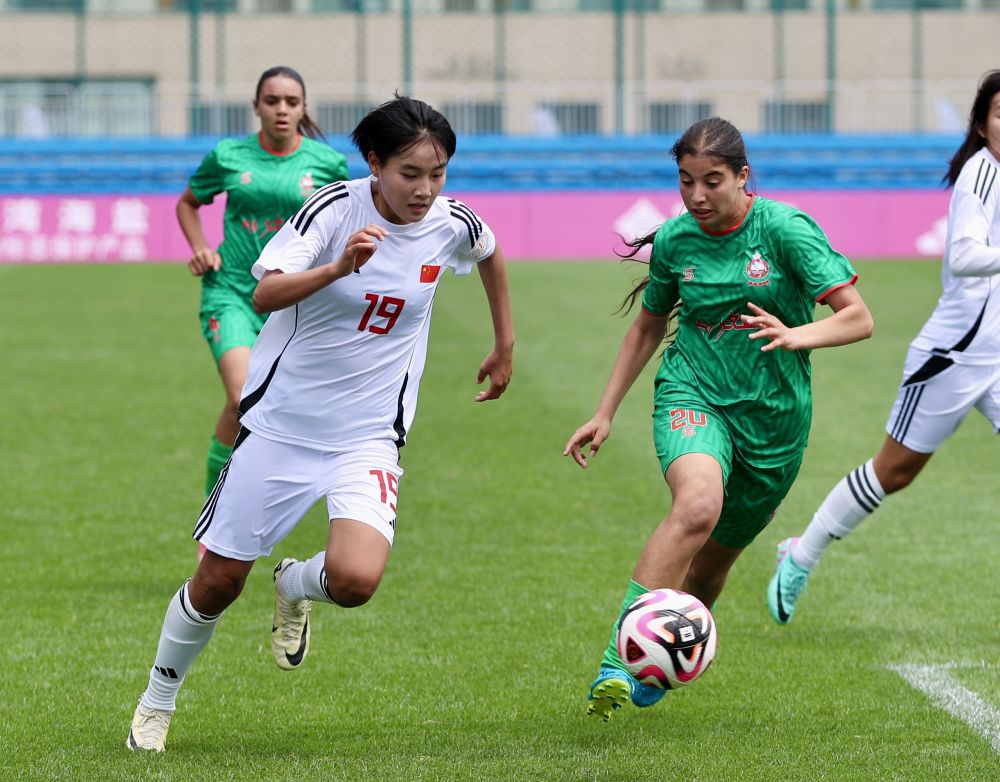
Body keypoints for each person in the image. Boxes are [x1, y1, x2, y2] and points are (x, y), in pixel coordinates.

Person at [127, 94, 515, 752]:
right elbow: (264, 291)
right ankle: (157, 702)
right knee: (218, 582)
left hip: (369, 435)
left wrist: (505, 343)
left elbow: (490, 252)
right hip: (282, 428)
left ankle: (294, 582)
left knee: (356, 581)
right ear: (374, 163)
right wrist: (337, 268)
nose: (425, 189)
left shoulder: (451, 221)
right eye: (410, 173)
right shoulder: (333, 210)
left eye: (438, 173)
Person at [563, 117, 873, 721]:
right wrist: (604, 411)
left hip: (775, 422)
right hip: (693, 392)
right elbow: (648, 325)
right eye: (686, 181)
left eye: (712, 181)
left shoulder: (785, 229)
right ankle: (615, 662)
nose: (697, 195)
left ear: (742, 176)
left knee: (708, 568)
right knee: (698, 505)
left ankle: (666, 660)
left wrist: (797, 334)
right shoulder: (677, 240)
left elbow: (858, 317)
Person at [767, 69, 1000, 625]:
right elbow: (964, 255)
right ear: (982, 125)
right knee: (893, 472)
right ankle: (802, 553)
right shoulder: (981, 173)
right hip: (954, 356)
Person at [176, 66, 349, 559]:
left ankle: (251, 508)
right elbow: (188, 204)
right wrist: (200, 247)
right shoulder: (228, 156)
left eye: (292, 101)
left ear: (303, 108)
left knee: (274, 411)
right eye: (272, 100)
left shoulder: (328, 164)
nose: (281, 109)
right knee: (240, 399)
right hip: (231, 292)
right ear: (256, 106)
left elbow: (342, 223)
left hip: (291, 305)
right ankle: (214, 525)